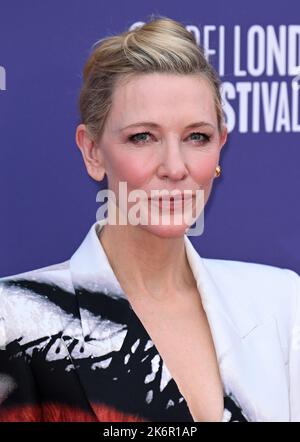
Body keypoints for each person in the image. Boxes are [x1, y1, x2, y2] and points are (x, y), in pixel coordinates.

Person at [0, 15, 300, 423]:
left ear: (220, 147)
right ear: (92, 151)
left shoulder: (280, 301)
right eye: (143, 137)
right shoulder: (18, 316)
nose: (175, 167)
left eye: (197, 137)